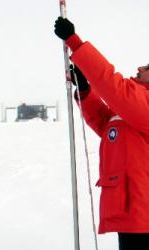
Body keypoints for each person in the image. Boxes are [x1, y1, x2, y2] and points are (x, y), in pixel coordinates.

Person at [54, 17, 149, 250]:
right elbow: (106, 123)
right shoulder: (132, 109)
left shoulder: (143, 104)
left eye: (147, 67)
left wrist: (75, 43)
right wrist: (85, 91)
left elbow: (112, 86)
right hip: (130, 212)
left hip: (143, 215)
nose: (139, 67)